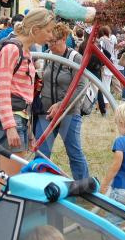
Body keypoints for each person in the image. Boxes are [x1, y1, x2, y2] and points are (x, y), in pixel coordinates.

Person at [0, 8, 56, 201]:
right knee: (7, 183)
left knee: (10, 182)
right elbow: (2, 91)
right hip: (9, 120)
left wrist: (28, 131)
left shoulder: (26, 52)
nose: (51, 36)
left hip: (19, 119)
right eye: (49, 30)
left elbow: (23, 96)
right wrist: (10, 127)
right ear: (36, 29)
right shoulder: (12, 50)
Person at [35, 22, 89, 180]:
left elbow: (81, 87)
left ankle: (84, 187)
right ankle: (37, 187)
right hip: (47, 112)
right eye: (48, 42)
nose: (50, 45)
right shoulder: (48, 56)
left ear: (64, 38)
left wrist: (61, 104)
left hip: (69, 112)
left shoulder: (75, 58)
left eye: (54, 42)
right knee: (41, 152)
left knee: (74, 153)